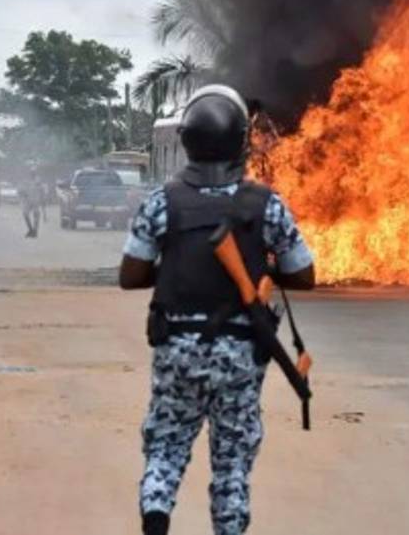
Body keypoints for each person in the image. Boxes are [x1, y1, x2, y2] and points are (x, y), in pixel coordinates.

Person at [119, 85, 316, 535]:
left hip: (177, 348)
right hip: (241, 355)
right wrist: (258, 270)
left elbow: (130, 275)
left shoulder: (161, 203)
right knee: (231, 467)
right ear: (241, 143)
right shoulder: (267, 206)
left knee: (166, 448)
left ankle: (156, 514)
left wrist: (175, 267)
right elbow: (303, 275)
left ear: (186, 140)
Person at [21, 169, 44, 238]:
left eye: (33, 173)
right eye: (31, 173)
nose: (32, 175)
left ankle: (34, 231)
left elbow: (42, 192)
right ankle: (31, 229)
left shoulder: (38, 182)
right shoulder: (26, 182)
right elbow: (22, 191)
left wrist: (42, 201)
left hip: (36, 201)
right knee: (25, 214)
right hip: (28, 201)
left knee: (36, 216)